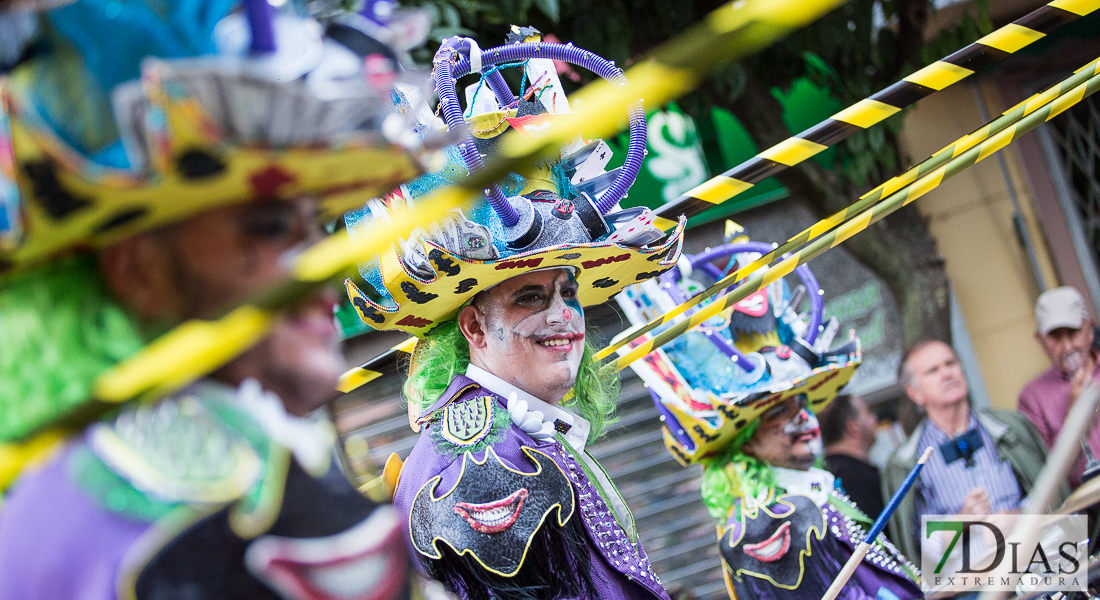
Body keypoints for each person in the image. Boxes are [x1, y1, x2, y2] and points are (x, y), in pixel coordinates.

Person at [0, 2, 438, 598]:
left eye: (317, 229)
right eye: (273, 227)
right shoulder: (255, 506)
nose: (322, 275)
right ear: (138, 270)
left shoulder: (37, 503)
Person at [342, 28, 686, 600]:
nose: (564, 316)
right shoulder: (482, 461)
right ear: (473, 326)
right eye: (531, 297)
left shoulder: (512, 435)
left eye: (567, 292)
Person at [615, 236, 921, 600]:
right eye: (778, 410)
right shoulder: (766, 524)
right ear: (744, 437)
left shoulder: (813, 491)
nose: (802, 416)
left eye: (802, 401)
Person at [882, 339, 1063, 564]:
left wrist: (1020, 517)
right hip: (970, 585)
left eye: (950, 363)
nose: (946, 374)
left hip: (1038, 561)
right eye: (933, 371)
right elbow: (917, 550)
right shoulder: (905, 462)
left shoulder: (1010, 427)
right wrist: (963, 520)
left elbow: (1054, 495)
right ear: (914, 392)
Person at [1019, 286, 1100, 488]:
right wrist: (1074, 415)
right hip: (1086, 510)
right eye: (1055, 337)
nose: (1067, 347)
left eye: (1073, 333)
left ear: (1090, 329)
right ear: (1040, 340)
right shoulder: (1032, 397)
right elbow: (1046, 479)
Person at [821, 394, 886, 521]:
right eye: (868, 412)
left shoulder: (826, 473)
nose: (875, 418)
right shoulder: (855, 477)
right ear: (853, 426)